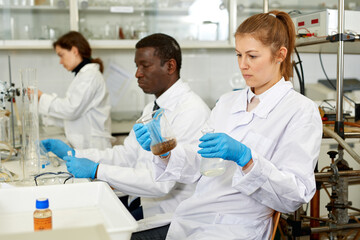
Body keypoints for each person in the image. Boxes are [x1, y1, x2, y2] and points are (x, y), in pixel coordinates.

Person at [134, 11, 323, 239]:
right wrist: (164, 151)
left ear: (280, 55)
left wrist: (247, 159)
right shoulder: (227, 102)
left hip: (236, 228)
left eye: (252, 56)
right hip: (193, 217)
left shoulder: (300, 111)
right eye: (239, 55)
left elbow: (294, 195)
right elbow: (198, 160)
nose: (243, 65)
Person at [41, 33, 211, 239]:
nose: (137, 74)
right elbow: (127, 154)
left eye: (144, 66)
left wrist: (97, 170)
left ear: (170, 66)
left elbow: (160, 183)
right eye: (136, 66)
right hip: (145, 203)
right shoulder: (152, 107)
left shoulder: (191, 111)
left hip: (173, 216)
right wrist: (75, 153)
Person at [38, 31, 113, 150]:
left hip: (94, 147)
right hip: (86, 146)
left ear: (74, 50)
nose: (60, 62)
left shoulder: (90, 76)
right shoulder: (83, 76)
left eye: (61, 55)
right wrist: (48, 117)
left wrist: (41, 97)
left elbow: (71, 109)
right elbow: (74, 117)